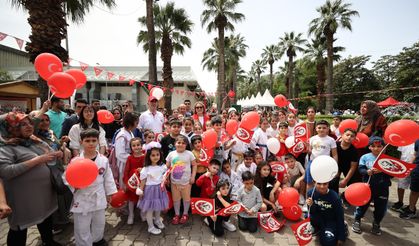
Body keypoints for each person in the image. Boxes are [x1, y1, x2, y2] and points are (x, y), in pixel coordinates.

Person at [0, 112, 61, 246]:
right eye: (23, 124)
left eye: (29, 123)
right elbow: (5, 172)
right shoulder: (5, 146)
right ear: (11, 127)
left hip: (43, 193)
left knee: (45, 218)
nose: (29, 127)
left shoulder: (31, 140)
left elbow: (47, 158)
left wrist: (54, 154)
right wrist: (38, 160)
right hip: (23, 198)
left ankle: (48, 241)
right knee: (19, 227)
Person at [65, 129, 117, 246]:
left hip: (98, 194)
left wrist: (110, 193)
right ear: (81, 142)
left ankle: (97, 240)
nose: (91, 143)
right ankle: (84, 243)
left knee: (99, 222)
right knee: (81, 225)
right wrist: (74, 186)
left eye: (94, 140)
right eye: (87, 140)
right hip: (82, 195)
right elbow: (68, 178)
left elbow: (108, 177)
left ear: (98, 141)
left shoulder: (103, 160)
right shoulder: (76, 161)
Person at [352, 137, 391, 236]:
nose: (376, 148)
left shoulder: (387, 159)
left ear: (383, 147)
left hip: (382, 188)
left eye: (379, 146)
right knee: (362, 205)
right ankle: (357, 220)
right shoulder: (365, 157)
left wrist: (383, 170)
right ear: (369, 147)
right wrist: (367, 171)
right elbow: (360, 170)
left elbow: (392, 174)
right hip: (367, 187)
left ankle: (376, 223)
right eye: (373, 146)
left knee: (381, 208)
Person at [137, 142, 168, 235]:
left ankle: (157, 220)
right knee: (150, 209)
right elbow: (143, 181)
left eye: (157, 154)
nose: (156, 157)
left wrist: (165, 180)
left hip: (160, 189)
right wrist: (141, 190)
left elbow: (164, 176)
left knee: (158, 207)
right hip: (150, 190)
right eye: (153, 155)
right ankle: (150, 227)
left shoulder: (162, 166)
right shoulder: (146, 169)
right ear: (148, 156)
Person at [166, 135, 197, 225]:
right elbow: (167, 167)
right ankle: (176, 214)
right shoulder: (171, 154)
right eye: (179, 142)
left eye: (183, 143)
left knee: (186, 199)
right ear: (175, 144)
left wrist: (193, 177)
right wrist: (166, 179)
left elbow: (194, 165)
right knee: (176, 199)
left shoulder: (189, 154)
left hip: (186, 182)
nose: (181, 144)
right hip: (174, 182)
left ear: (186, 144)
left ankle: (185, 214)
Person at [306, 181, 347, 246]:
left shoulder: (335, 197)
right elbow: (311, 212)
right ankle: (318, 229)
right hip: (317, 218)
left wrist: (341, 237)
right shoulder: (310, 193)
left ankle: (342, 228)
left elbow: (340, 216)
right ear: (314, 183)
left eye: (325, 184)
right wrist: (311, 205)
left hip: (330, 220)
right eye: (319, 183)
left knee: (328, 243)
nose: (322, 186)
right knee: (306, 219)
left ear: (328, 183)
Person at [306, 120, 338, 191]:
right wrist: (307, 148)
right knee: (309, 182)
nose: (321, 129)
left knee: (323, 182)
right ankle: (308, 198)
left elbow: (335, 154)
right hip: (312, 162)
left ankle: (321, 199)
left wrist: (335, 166)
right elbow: (309, 152)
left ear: (327, 129)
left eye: (324, 128)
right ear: (316, 129)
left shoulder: (331, 140)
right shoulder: (312, 139)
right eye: (319, 127)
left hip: (325, 164)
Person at [330, 129, 361, 194]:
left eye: (352, 136)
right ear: (342, 135)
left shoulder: (354, 150)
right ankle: (334, 196)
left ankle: (345, 196)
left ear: (355, 138)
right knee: (333, 182)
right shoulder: (334, 145)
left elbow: (353, 167)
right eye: (347, 135)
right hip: (335, 166)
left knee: (355, 183)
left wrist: (345, 180)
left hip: (348, 168)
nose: (349, 137)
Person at [123, 137, 144, 225]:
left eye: (138, 145)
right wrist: (126, 183)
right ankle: (131, 214)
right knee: (131, 199)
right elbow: (126, 170)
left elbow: (148, 167)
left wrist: (142, 169)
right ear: (131, 147)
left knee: (142, 197)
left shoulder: (145, 156)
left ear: (141, 146)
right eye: (134, 146)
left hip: (142, 181)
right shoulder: (130, 158)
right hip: (133, 182)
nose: (136, 147)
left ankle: (143, 213)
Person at [115, 112, 139, 188]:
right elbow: (120, 154)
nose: (137, 124)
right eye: (136, 122)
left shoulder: (130, 133)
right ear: (130, 123)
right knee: (124, 183)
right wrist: (132, 158)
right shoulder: (121, 135)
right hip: (124, 164)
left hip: (131, 161)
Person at [391, 142, 415, 212]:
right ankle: (400, 202)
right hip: (404, 165)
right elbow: (400, 153)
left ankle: (411, 206)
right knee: (401, 185)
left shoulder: (417, 142)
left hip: (415, 166)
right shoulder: (404, 140)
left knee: (414, 188)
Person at [400, 139, 419, 219]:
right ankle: (411, 208)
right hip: (417, 169)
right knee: (414, 190)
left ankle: (411, 210)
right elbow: (415, 154)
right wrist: (409, 166)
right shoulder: (418, 141)